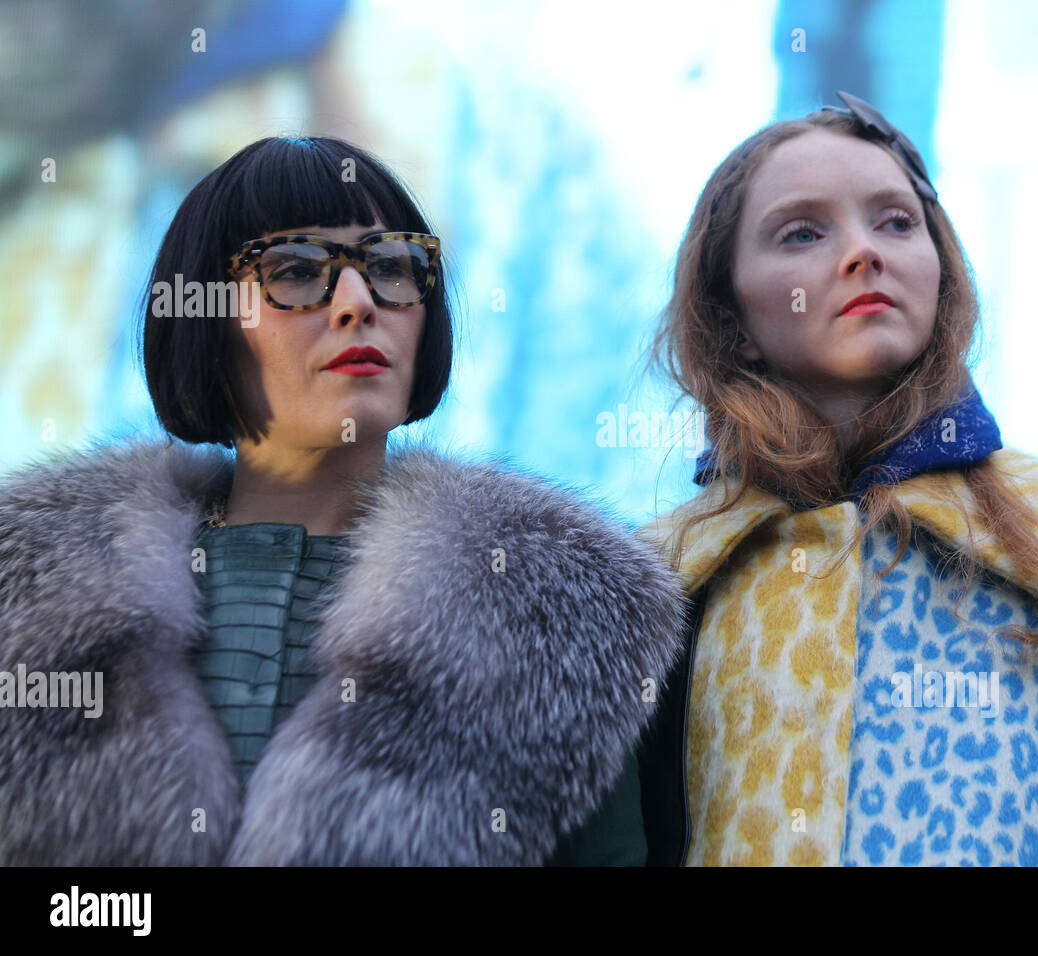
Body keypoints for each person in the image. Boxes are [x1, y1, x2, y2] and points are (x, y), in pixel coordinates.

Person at [637, 92, 1038, 866]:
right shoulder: (655, 589)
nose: (863, 252)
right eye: (802, 232)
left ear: (942, 270)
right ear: (731, 319)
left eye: (895, 221)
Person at [0, 136, 684, 865]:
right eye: (296, 270)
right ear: (202, 312)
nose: (359, 303)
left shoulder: (559, 611)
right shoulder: (26, 605)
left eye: (392, 267)